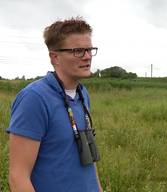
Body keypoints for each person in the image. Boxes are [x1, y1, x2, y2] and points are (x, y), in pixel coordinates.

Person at [7, 17, 103, 192]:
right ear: (55, 57)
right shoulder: (34, 99)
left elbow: (88, 156)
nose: (87, 56)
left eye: (89, 49)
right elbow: (18, 176)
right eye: (78, 51)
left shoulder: (82, 94)